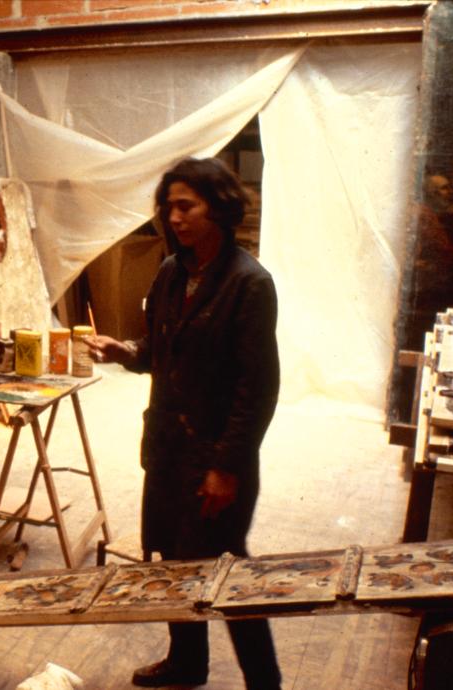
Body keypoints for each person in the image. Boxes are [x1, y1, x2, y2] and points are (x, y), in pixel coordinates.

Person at [88, 157, 281, 689]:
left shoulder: (249, 284)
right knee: (172, 564)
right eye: (168, 206)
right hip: (168, 450)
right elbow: (161, 349)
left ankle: (267, 683)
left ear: (218, 207)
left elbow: (258, 389)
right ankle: (187, 663)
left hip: (215, 458)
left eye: (185, 206)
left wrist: (227, 467)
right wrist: (125, 351)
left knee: (229, 574)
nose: (173, 217)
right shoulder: (175, 272)